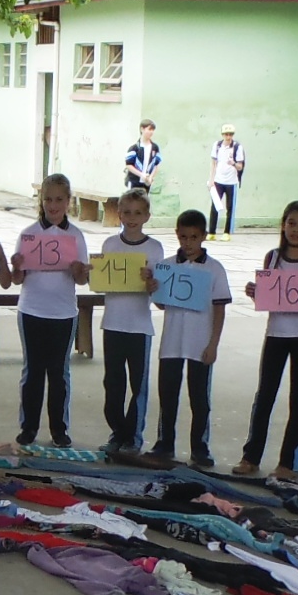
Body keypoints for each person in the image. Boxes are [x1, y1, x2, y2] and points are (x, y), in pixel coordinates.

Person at [235, 200, 298, 478]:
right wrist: (255, 292)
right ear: (283, 225)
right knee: (264, 395)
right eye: (291, 223)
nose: (295, 230)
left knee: (297, 399)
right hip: (276, 333)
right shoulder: (273, 257)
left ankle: (288, 464)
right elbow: (268, 295)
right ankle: (250, 457)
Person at [6, 172, 89, 448]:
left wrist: (79, 271)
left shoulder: (76, 236)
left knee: (58, 373)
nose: (53, 205)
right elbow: (18, 279)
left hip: (64, 313)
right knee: (33, 371)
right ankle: (28, 427)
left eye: (59, 200)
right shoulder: (28, 235)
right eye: (48, 199)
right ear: (41, 200)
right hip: (31, 310)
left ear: (68, 201)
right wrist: (16, 266)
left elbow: (82, 279)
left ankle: (59, 429)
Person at [148, 209, 227, 469]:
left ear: (203, 236)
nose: (189, 243)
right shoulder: (167, 266)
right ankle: (164, 443)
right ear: (177, 235)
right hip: (172, 342)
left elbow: (219, 307)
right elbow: (161, 304)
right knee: (168, 395)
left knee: (199, 399)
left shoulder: (215, 269)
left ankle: (200, 447)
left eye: (194, 237)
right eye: (183, 237)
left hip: (200, 344)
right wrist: (153, 289)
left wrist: (213, 344)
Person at [95, 187, 163, 452]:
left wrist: (150, 282)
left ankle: (133, 437)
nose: (131, 218)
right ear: (118, 214)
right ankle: (117, 432)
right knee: (112, 383)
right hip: (112, 324)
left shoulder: (154, 248)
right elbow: (102, 282)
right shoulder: (110, 245)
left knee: (138, 385)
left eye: (138, 213)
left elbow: (158, 292)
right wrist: (94, 274)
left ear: (147, 216)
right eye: (126, 212)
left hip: (139, 326)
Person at [208, 125, 245, 236]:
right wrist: (211, 180)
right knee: (215, 205)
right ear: (222, 135)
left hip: (231, 182)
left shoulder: (237, 147)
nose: (228, 137)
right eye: (226, 134)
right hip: (218, 180)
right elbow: (214, 163)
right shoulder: (217, 145)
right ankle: (211, 232)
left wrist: (233, 163)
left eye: (230, 134)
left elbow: (240, 166)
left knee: (230, 207)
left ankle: (227, 232)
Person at [122, 121, 161, 206]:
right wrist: (141, 174)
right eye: (149, 129)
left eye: (153, 130)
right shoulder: (134, 148)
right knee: (131, 204)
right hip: (134, 181)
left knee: (143, 206)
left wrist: (151, 177)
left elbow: (157, 164)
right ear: (142, 129)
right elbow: (129, 165)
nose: (151, 132)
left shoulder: (155, 147)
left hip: (146, 183)